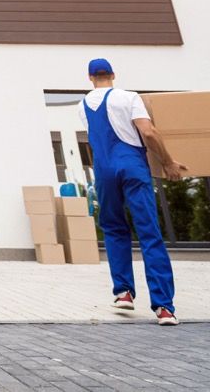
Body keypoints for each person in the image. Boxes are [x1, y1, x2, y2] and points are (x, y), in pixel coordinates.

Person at [82, 58, 188, 326]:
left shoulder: (83, 104)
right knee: (149, 232)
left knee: (114, 229)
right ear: (113, 75)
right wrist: (167, 161)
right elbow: (148, 132)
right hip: (131, 166)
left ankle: (123, 292)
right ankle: (164, 308)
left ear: (90, 78)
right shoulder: (129, 98)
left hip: (104, 170)